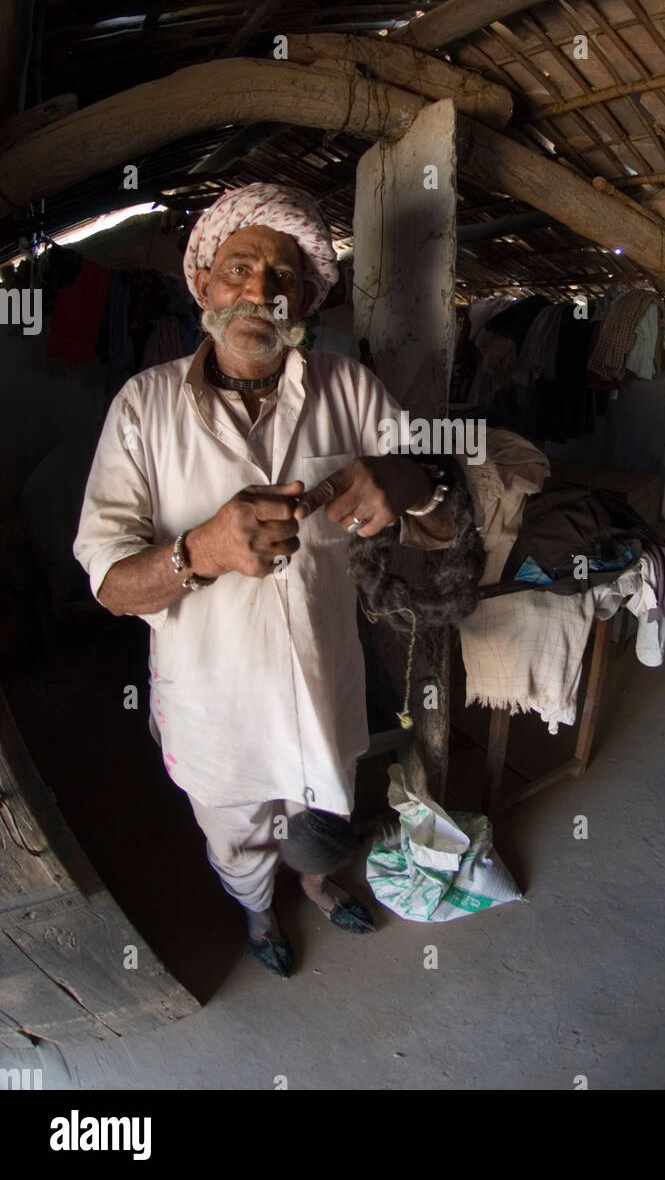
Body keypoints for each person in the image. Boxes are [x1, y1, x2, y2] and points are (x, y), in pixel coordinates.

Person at [73, 182, 455, 977]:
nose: (261, 290)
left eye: (284, 276)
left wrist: (405, 480)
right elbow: (110, 585)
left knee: (321, 821)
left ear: (308, 299)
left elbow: (446, 526)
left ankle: (314, 883)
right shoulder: (143, 408)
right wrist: (199, 552)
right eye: (240, 267)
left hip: (322, 688)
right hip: (212, 711)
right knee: (237, 837)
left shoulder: (348, 390)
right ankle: (256, 915)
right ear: (204, 284)